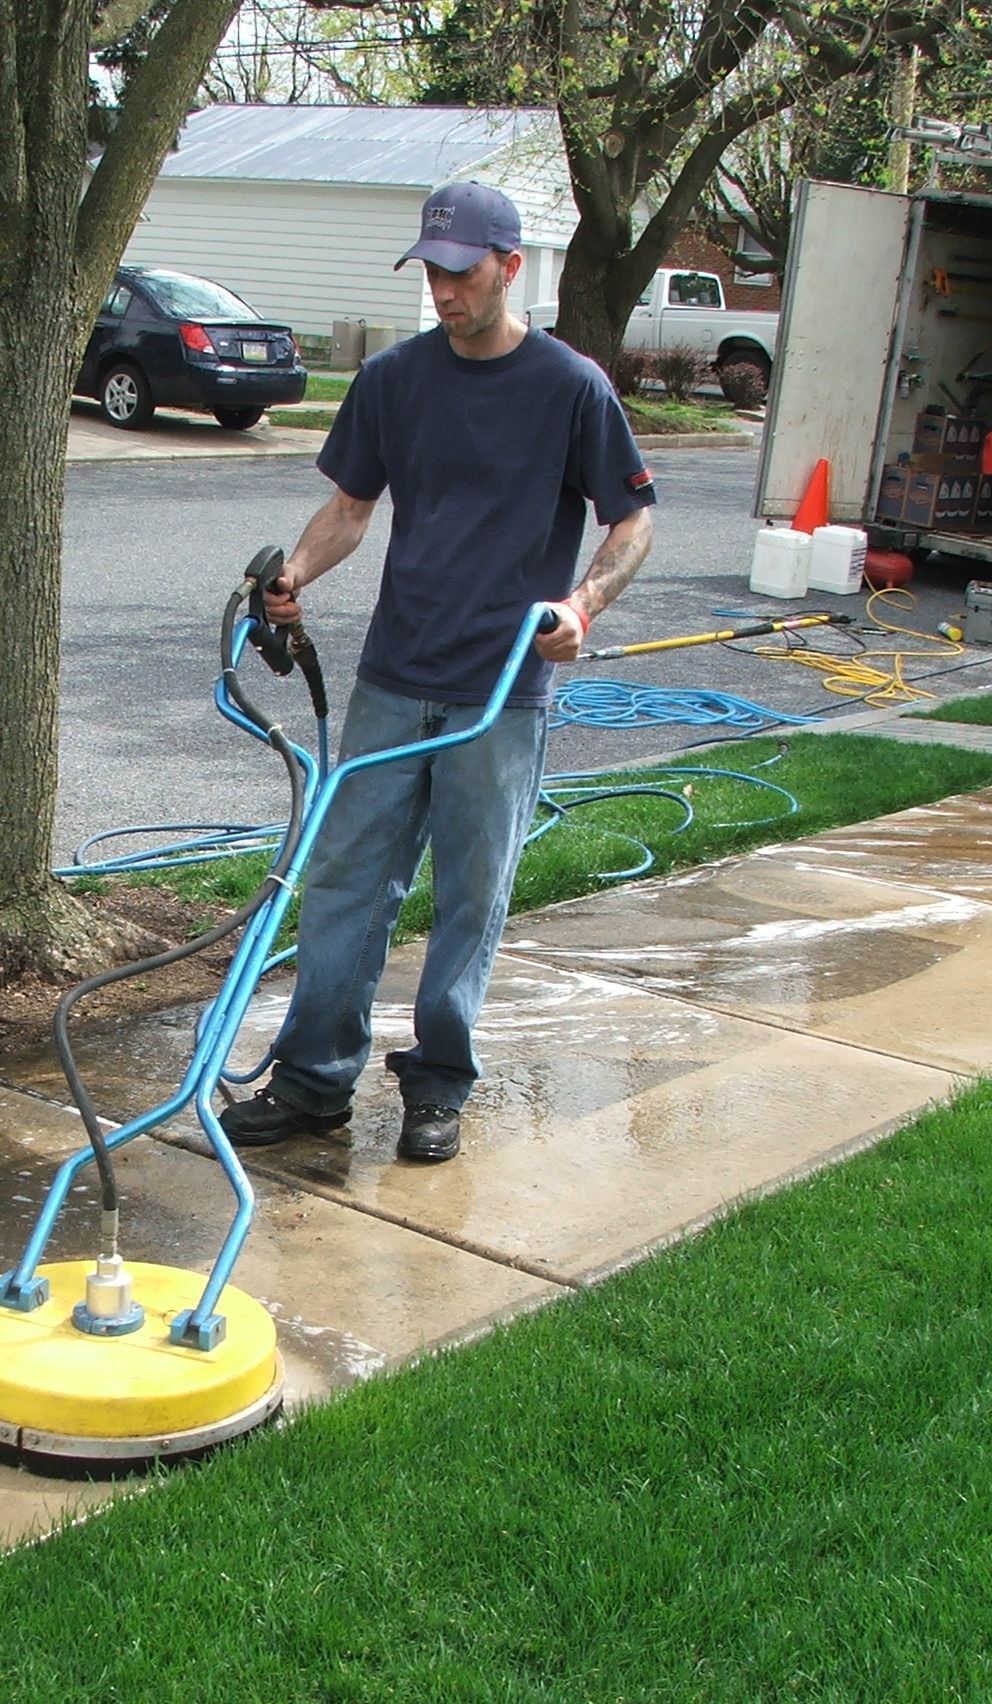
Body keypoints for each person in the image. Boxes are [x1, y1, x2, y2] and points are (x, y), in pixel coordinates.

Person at [221, 180, 657, 1164]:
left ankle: (437, 1084)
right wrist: (294, 573)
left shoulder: (570, 387)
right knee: (342, 881)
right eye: (430, 271)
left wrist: (579, 607)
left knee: (472, 891)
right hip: (393, 673)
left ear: (510, 266)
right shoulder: (396, 380)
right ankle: (312, 1083)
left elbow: (630, 520)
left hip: (501, 689)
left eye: (460, 273)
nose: (444, 291)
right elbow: (349, 506)